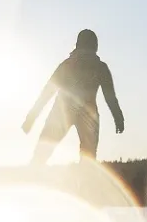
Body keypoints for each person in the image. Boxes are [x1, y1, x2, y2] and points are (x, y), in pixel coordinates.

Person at [23, 29, 125, 164]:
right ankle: (84, 180)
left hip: (63, 110)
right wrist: (118, 117)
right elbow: (110, 97)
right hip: (87, 113)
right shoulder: (100, 67)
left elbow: (47, 92)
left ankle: (35, 171)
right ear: (95, 46)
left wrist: (31, 117)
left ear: (77, 44)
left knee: (42, 152)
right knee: (88, 157)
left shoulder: (67, 65)